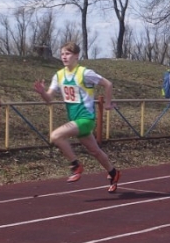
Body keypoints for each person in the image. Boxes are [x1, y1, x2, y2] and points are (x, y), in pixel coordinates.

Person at [33, 41, 121, 192]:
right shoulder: (59, 75)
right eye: (62, 54)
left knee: (55, 136)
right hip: (75, 121)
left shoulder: (85, 73)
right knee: (95, 151)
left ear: (76, 56)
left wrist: (107, 104)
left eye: (68, 54)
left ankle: (76, 165)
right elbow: (49, 99)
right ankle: (113, 173)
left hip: (86, 119)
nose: (64, 57)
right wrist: (42, 92)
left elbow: (108, 84)